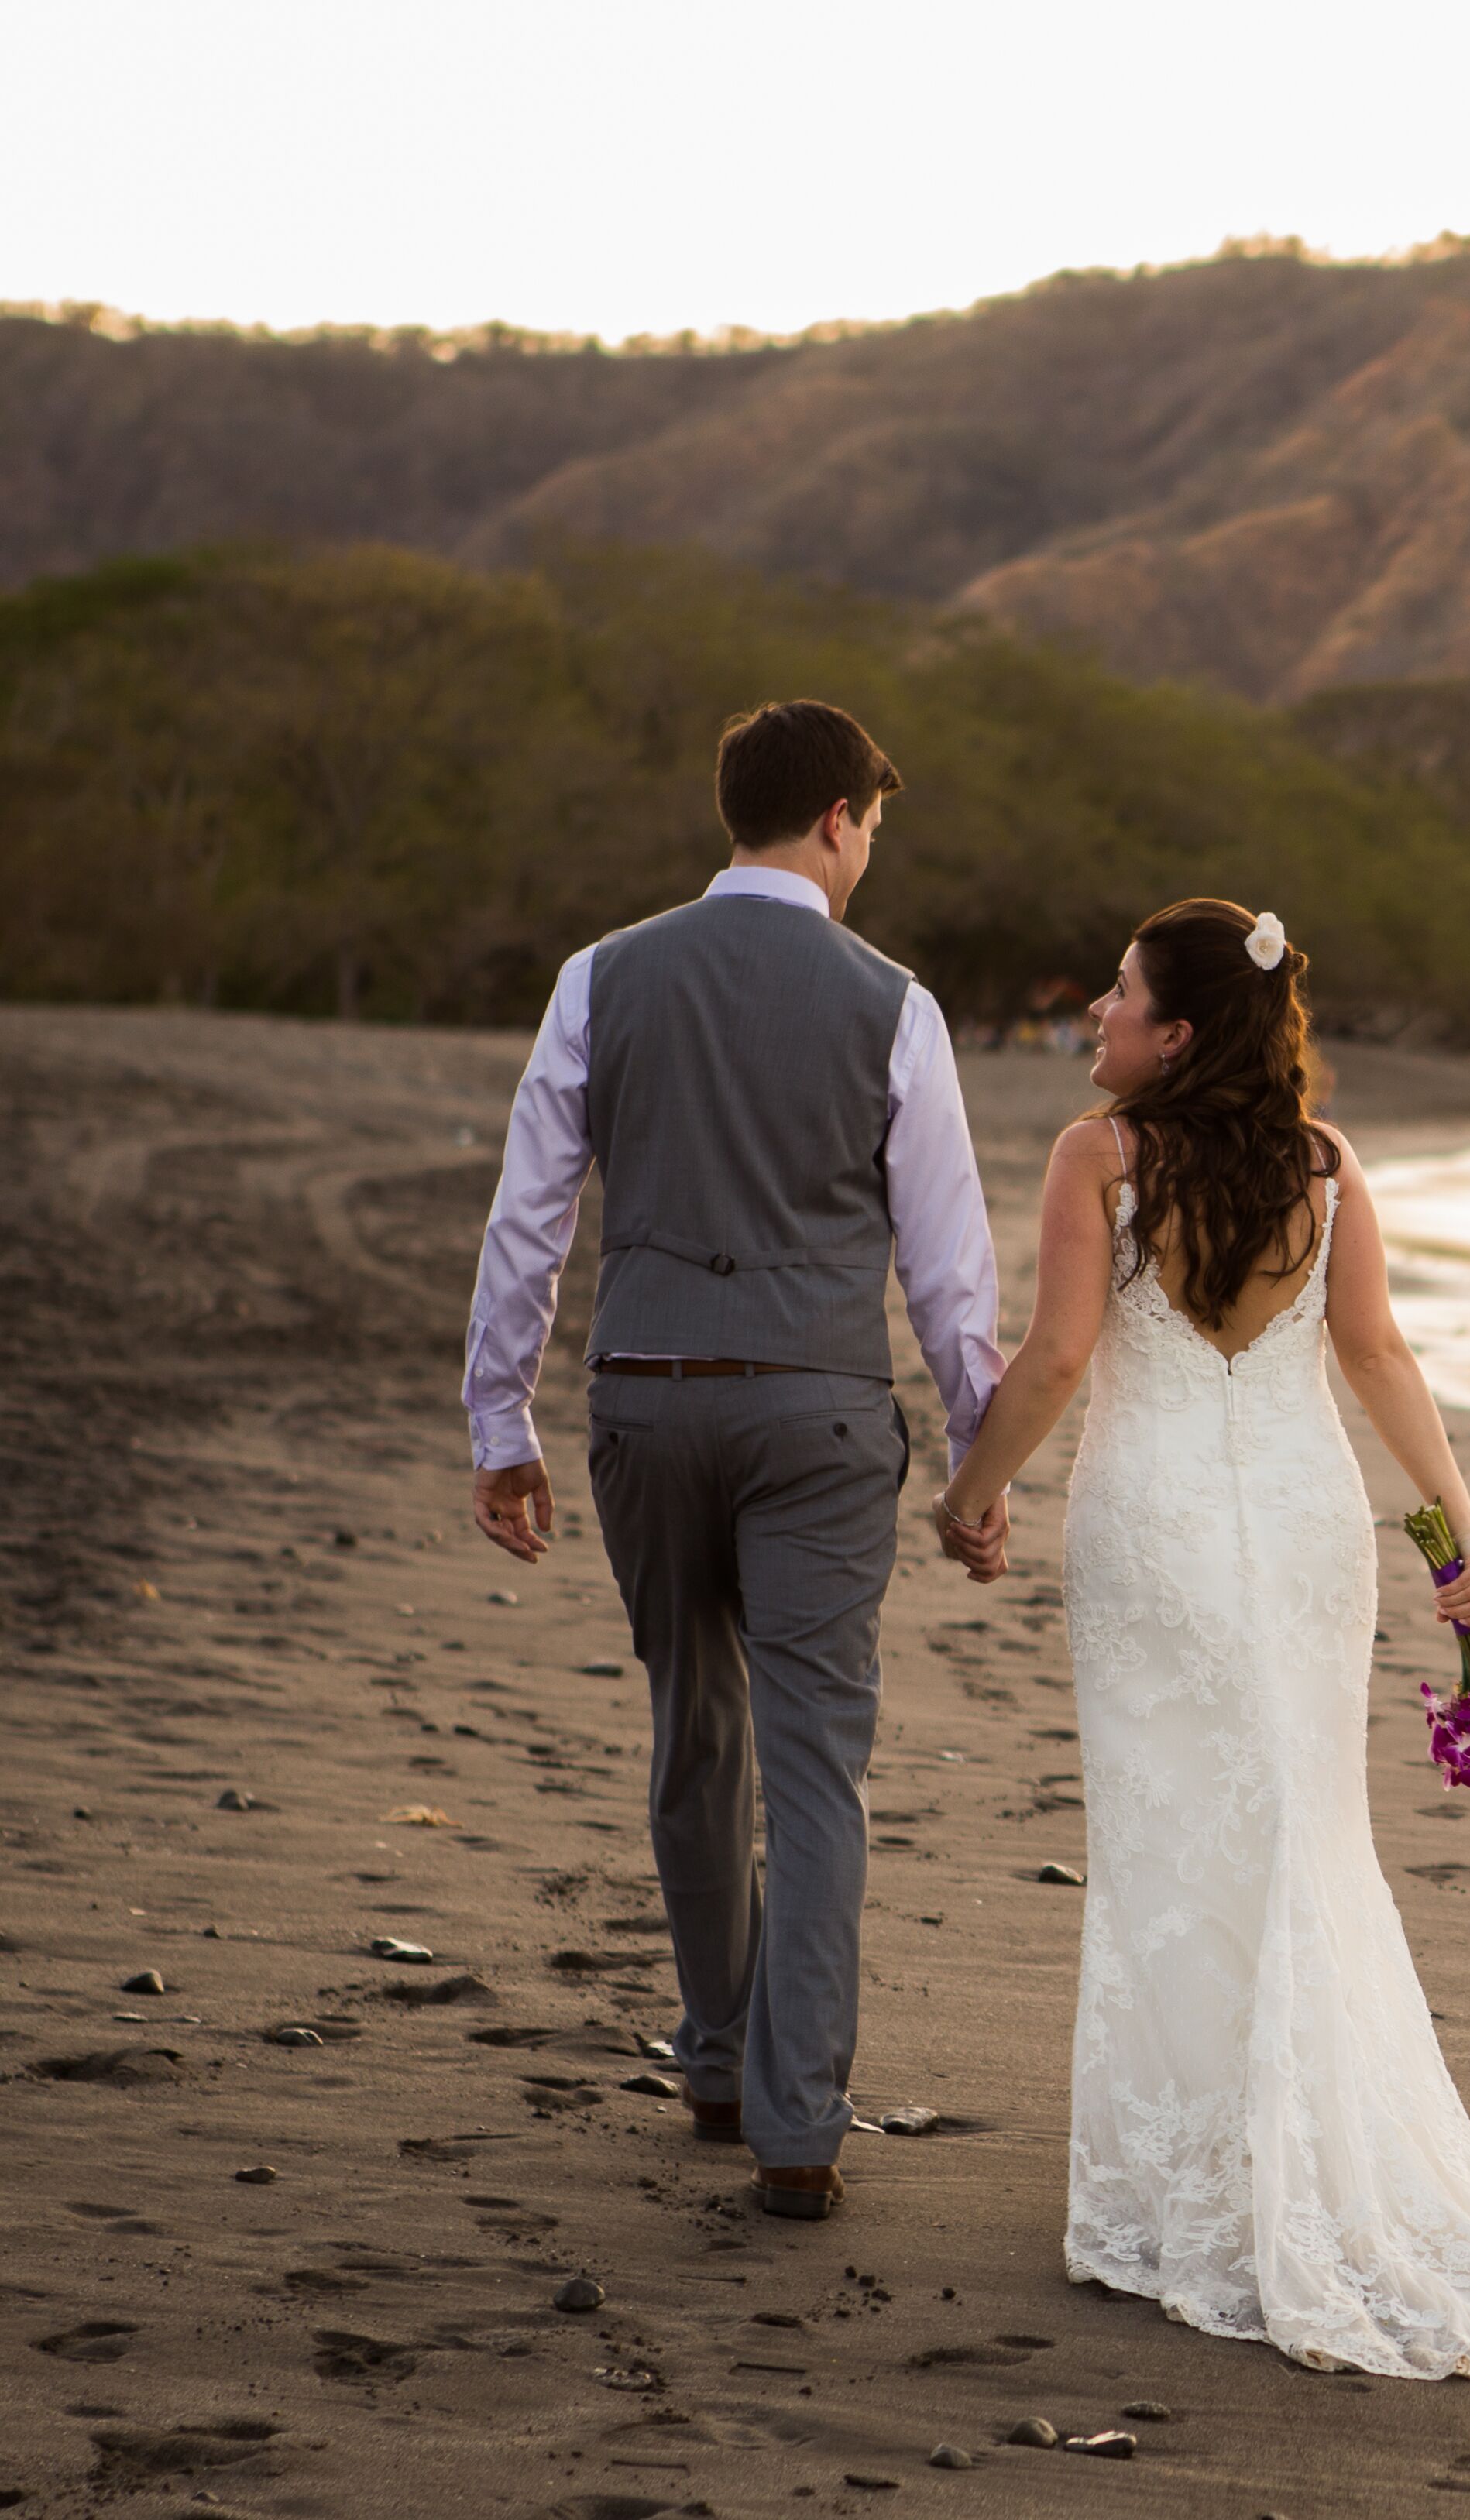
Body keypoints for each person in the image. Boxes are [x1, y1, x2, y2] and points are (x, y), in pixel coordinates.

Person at [929, 900, 1470, 2389]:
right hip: (1314, 1535)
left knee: (1182, 1842)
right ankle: (1286, 2159)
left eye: (1119, 998)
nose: (1096, 1021)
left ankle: (1193, 2183)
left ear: (1178, 1030)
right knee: (1305, 1841)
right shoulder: (1322, 1166)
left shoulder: (1098, 1155)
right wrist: (1464, 1531)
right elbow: (1377, 1353)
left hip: (1161, 1534)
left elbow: (1058, 1355)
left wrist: (970, 1494)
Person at [462, 699, 1004, 2223]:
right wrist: (978, 1463)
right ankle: (797, 2125)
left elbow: (531, 1214)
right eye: (875, 826)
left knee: (692, 1721)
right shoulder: (892, 1001)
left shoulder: (601, 974)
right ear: (838, 817)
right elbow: (949, 1273)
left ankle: (712, 2055)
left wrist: (498, 1420)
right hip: (820, 1412)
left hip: (645, 1396)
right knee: (816, 1761)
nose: (872, 851)